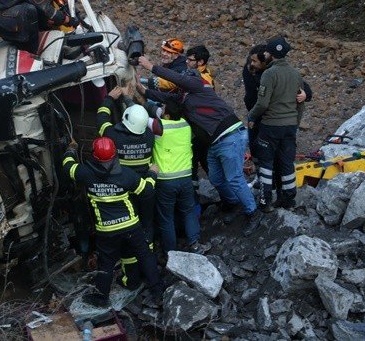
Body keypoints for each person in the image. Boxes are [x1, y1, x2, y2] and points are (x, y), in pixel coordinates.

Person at [136, 55, 262, 237]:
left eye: (184, 82)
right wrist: (142, 91)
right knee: (216, 178)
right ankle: (233, 202)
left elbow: (177, 79)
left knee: (234, 177)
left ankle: (253, 212)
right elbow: (165, 97)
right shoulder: (184, 97)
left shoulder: (200, 85)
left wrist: (151, 67)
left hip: (230, 136)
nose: (181, 85)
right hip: (216, 142)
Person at [61, 137, 162, 306]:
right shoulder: (126, 174)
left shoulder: (85, 173)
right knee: (145, 255)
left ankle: (101, 298)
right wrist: (152, 173)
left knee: (106, 263)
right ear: (114, 154)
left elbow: (67, 167)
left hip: (106, 230)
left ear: (94, 155)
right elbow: (147, 191)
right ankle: (158, 292)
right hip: (130, 225)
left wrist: (71, 149)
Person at [95, 86, 156, 289]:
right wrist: (129, 99)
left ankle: (131, 277)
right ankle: (151, 271)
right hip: (146, 189)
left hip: (125, 193)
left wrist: (109, 99)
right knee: (146, 231)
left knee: (131, 239)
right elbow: (138, 118)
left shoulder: (113, 135)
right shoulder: (148, 135)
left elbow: (101, 121)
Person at [247, 36, 304, 211]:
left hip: (271, 126)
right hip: (290, 126)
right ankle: (288, 200)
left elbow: (263, 103)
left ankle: (266, 202)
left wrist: (251, 116)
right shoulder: (296, 74)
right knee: (287, 163)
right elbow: (300, 103)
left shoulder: (269, 74)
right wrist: (295, 123)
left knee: (266, 164)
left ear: (269, 54)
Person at [152, 98, 203, 254]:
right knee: (188, 212)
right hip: (185, 177)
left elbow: (141, 116)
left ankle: (171, 252)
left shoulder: (159, 126)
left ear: (166, 115)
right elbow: (160, 111)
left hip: (166, 180)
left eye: (163, 107)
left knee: (166, 218)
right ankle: (194, 243)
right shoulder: (185, 125)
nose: (161, 108)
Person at [185, 45, 214, 183]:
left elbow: (173, 83)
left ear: (200, 62)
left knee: (199, 158)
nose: (187, 62)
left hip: (201, 126)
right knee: (202, 159)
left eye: (190, 60)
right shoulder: (204, 74)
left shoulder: (202, 78)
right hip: (201, 125)